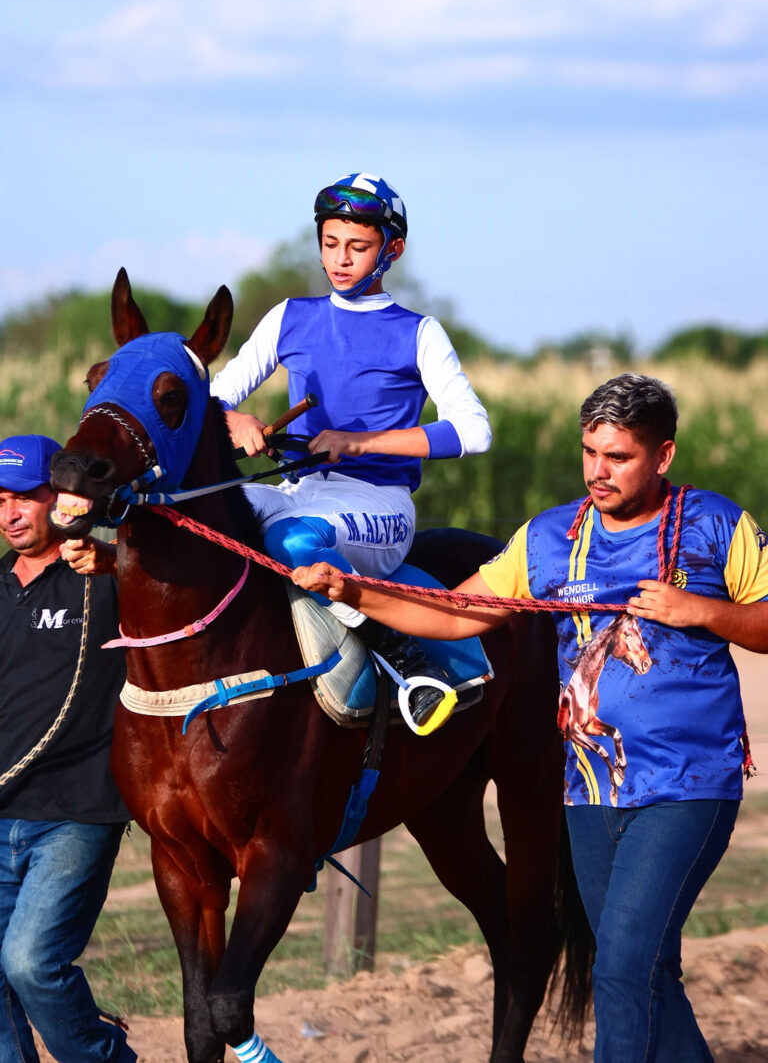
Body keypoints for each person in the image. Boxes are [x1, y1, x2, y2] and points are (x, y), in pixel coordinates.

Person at [291, 372, 768, 1062]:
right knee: (646, 971)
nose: (598, 471)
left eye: (619, 457)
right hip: (590, 791)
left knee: (620, 969)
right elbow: (455, 612)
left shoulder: (716, 525)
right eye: (590, 452)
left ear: (663, 455)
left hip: (689, 786)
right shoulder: (548, 538)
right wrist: (353, 590)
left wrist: (702, 611)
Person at [211, 172, 492, 726]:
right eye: (330, 243)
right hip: (299, 491)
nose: (340, 259)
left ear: (393, 250)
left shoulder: (419, 332)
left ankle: (406, 659)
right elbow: (211, 400)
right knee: (208, 512)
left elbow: (474, 431)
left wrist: (359, 442)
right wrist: (234, 419)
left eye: (358, 247)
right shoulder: (290, 316)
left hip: (380, 503)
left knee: (292, 539)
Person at [0, 434, 135, 1063]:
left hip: (77, 812)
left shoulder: (106, 575)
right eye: (0, 500)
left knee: (31, 963)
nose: (10, 513)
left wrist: (118, 560)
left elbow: (184, 573)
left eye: (24, 497)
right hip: (2, 805)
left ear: (62, 499)